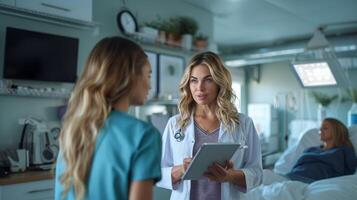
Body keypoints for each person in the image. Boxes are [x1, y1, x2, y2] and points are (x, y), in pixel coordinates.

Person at [54, 37, 162, 200]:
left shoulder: (73, 130)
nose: (150, 85)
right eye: (148, 75)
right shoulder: (144, 135)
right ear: (131, 76)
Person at [156, 51, 263, 200]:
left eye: (208, 80)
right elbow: (157, 172)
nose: (199, 87)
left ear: (219, 82)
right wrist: (182, 170)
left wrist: (230, 176)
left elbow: (257, 173)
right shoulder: (175, 124)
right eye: (194, 80)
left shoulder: (243, 123)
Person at [285, 117, 357, 183]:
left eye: (325, 128)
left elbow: (350, 170)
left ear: (336, 131)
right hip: (291, 177)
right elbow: (297, 166)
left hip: (312, 181)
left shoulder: (343, 150)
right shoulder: (310, 150)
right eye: (320, 128)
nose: (320, 131)